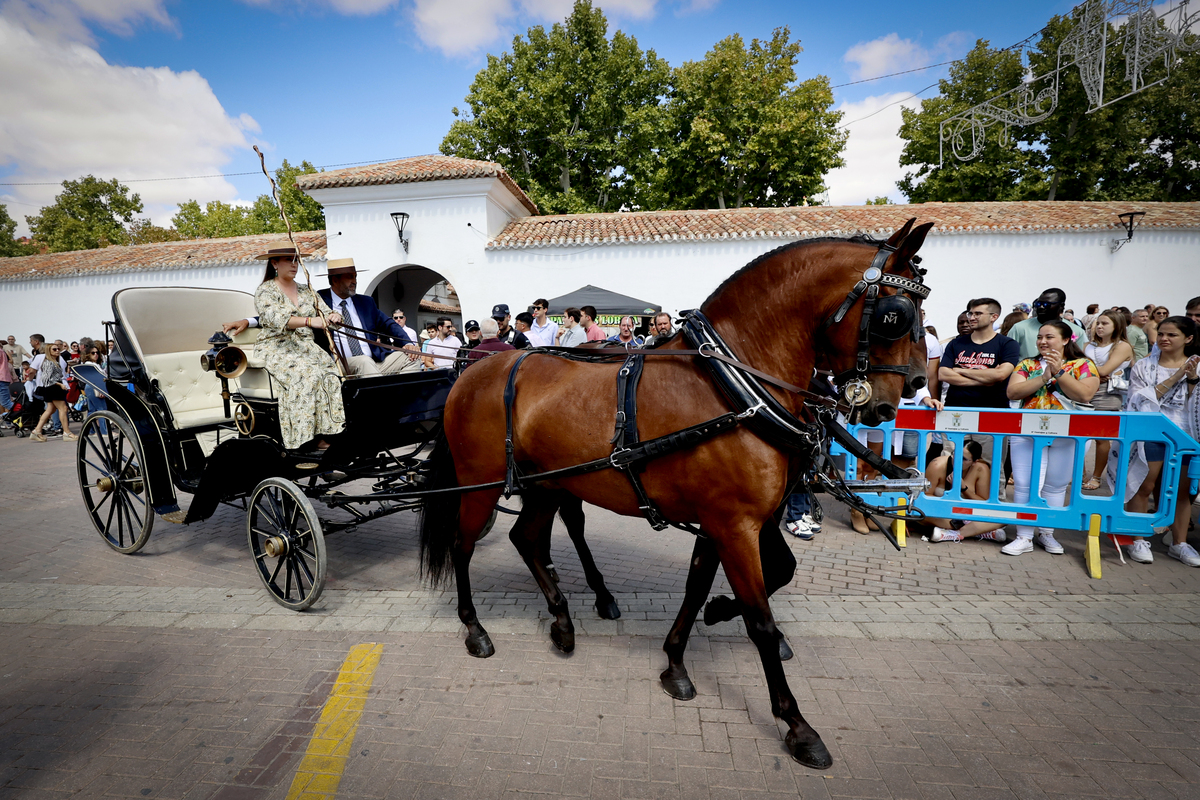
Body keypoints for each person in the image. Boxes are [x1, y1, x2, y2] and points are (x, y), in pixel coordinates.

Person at [999, 320, 1100, 557]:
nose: (1043, 342)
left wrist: (1060, 373)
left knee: (1055, 485)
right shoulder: (1027, 364)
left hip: (1068, 434)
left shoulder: (1083, 364)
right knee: (1024, 484)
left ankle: (1047, 532)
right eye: (1040, 337)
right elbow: (1013, 392)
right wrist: (1044, 376)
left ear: (1066, 340)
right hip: (1027, 432)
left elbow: (1085, 393)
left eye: (1050, 337)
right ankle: (1023, 536)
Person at [1121, 316, 1200, 566]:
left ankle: (1180, 543)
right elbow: (1138, 399)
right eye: (1162, 334)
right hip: (1152, 431)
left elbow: (1194, 403)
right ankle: (1138, 538)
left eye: (1172, 335)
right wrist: (1177, 375)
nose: (1164, 339)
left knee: (1181, 492)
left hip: (1186, 434)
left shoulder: (1197, 365)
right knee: (1144, 484)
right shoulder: (1144, 366)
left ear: (1188, 339)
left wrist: (1191, 379)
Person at [252, 247, 346, 451]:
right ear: (275, 263)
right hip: (275, 347)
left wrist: (334, 317)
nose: (294, 264)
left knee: (330, 372)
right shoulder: (265, 290)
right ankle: (303, 439)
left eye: (296, 260)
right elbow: (275, 319)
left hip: (305, 347)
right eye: (288, 260)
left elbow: (327, 313)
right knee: (306, 375)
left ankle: (330, 432)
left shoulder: (306, 290)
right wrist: (310, 321)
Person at [1082, 310, 1134, 490]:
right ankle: (1081, 474)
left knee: (1101, 438)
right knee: (1079, 434)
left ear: (1116, 326)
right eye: (1098, 323)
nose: (1100, 327)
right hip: (1084, 389)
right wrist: (1095, 371)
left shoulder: (1122, 346)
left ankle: (1096, 476)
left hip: (1108, 393)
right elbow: (1076, 366)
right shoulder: (1088, 344)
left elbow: (1104, 371)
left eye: (1105, 323)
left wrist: (1092, 371)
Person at [939, 298, 1020, 410]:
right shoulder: (956, 343)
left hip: (993, 410)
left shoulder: (1007, 344)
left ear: (994, 317)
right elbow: (943, 374)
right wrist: (986, 379)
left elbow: (1000, 374)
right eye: (970, 313)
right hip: (956, 410)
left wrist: (960, 370)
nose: (972, 318)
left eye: (978, 314)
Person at [924, 441, 1008, 543]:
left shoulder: (981, 469)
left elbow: (984, 503)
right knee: (920, 513)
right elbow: (926, 496)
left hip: (969, 514)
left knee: (1005, 516)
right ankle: (979, 531)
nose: (957, 460)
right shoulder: (937, 465)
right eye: (955, 454)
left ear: (974, 462)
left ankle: (953, 534)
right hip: (943, 513)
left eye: (964, 459)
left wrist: (964, 489)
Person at [1007, 288, 1088, 360]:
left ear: (1061, 306)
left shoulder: (1076, 331)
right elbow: (1008, 359)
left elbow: (1078, 360)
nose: (1041, 307)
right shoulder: (1019, 328)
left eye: (1047, 304)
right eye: (1038, 304)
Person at [29, 343, 75, 442]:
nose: (57, 350)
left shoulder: (54, 361)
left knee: (50, 409)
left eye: (58, 349)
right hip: (53, 388)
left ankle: (37, 430)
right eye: (54, 349)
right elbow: (46, 379)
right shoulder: (49, 362)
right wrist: (60, 384)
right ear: (48, 351)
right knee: (63, 408)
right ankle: (67, 432)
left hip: (51, 388)